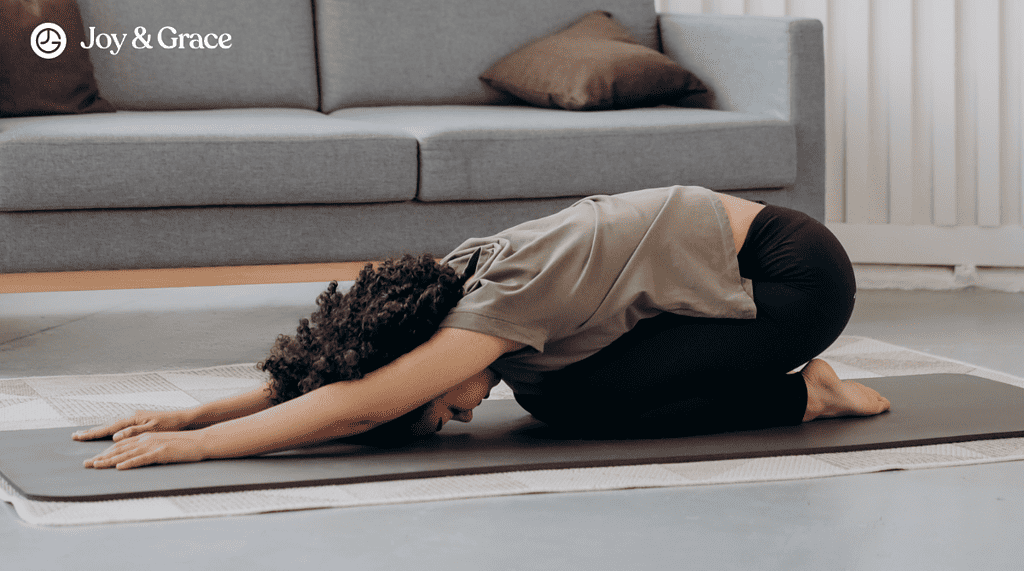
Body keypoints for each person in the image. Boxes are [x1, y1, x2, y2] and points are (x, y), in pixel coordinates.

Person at [73, 186, 890, 470]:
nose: (457, 414)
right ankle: (797, 389)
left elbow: (358, 403)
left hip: (795, 280)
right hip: (739, 272)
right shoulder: (441, 288)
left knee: (574, 403)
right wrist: (195, 410)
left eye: (436, 409)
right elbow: (345, 374)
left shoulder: (498, 302)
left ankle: (809, 394)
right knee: (548, 390)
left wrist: (201, 448)